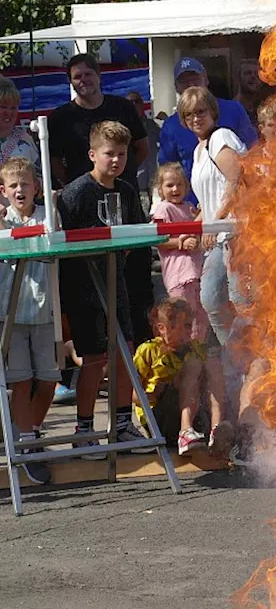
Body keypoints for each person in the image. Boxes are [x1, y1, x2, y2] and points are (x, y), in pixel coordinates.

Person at [56, 121, 154, 455]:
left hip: (117, 285)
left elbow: (137, 233)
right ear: (93, 154)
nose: (115, 160)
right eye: (109, 153)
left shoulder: (126, 191)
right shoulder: (75, 194)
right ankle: (84, 429)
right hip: (84, 290)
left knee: (125, 354)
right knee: (95, 360)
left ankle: (122, 425)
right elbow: (61, 245)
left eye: (122, 154)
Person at [0, 158, 59, 484]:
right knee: (21, 381)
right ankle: (26, 443)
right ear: (4, 191)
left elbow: (55, 239)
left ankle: (29, 431)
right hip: (12, 312)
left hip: (46, 309)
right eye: (14, 185)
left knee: (50, 378)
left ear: (36, 186)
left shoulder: (46, 215)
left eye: (25, 184)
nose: (20, 190)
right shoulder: (3, 220)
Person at [181, 87, 249, 347]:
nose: (196, 118)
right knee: (211, 299)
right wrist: (195, 226)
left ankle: (253, 361)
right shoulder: (198, 151)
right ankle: (235, 356)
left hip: (237, 232)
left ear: (212, 111)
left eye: (200, 111)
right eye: (189, 115)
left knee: (241, 300)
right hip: (219, 234)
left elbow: (236, 182)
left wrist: (214, 222)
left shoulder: (221, 137)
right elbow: (208, 199)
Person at [133, 298, 231, 456]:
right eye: (183, 326)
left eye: (190, 326)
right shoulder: (149, 350)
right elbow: (132, 395)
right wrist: (153, 393)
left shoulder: (195, 348)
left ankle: (216, 429)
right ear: (163, 328)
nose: (188, 332)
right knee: (193, 364)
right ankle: (185, 432)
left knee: (212, 364)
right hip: (160, 417)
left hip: (195, 409)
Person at [157, 58, 258, 204]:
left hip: (230, 211)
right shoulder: (171, 126)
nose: (191, 85)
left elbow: (252, 152)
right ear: (176, 87)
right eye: (184, 81)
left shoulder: (233, 110)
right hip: (192, 206)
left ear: (206, 80)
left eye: (195, 78)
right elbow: (167, 170)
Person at [47, 54, 151, 187]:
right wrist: (73, 185)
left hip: (124, 189)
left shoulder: (123, 107)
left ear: (98, 76)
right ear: (71, 82)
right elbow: (54, 162)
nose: (83, 80)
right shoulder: (60, 117)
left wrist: (126, 170)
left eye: (88, 74)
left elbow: (143, 148)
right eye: (77, 77)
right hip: (83, 193)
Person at [151, 163, 208, 341]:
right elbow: (159, 240)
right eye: (169, 185)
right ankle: (183, 351)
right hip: (178, 275)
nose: (175, 189)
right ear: (160, 189)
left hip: (196, 271)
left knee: (200, 315)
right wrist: (181, 242)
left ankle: (199, 351)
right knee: (182, 316)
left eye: (179, 184)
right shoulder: (163, 208)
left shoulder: (189, 206)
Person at [0, 77, 39, 174]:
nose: (9, 112)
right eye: (3, 107)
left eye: (13, 108)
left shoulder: (25, 139)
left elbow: (38, 177)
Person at [126, 91, 162, 194]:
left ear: (142, 104)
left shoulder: (151, 124)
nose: (134, 105)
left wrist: (166, 121)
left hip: (153, 178)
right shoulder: (122, 127)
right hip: (135, 180)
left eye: (136, 101)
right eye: (130, 102)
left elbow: (164, 140)